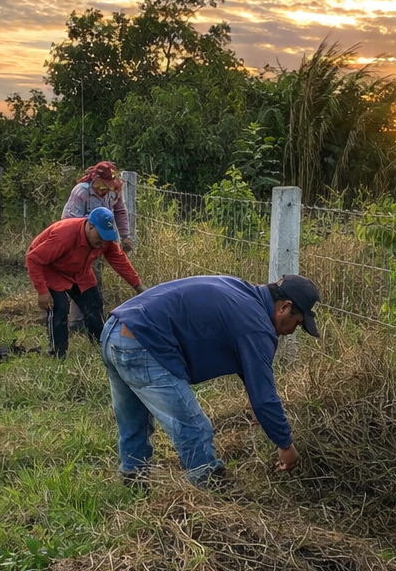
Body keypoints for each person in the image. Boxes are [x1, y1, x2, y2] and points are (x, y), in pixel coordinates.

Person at [100, 273, 320, 488]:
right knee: (193, 426)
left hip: (115, 330)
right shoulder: (256, 325)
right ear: (284, 307)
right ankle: (210, 489)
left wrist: (258, 405)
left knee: (133, 421)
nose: (292, 332)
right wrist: (285, 445)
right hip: (143, 345)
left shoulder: (241, 292)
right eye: (298, 323)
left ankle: (133, 480)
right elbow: (265, 396)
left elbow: (253, 374)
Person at [26, 207, 144, 359]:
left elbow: (119, 260)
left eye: (106, 237)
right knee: (59, 308)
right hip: (52, 268)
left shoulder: (104, 241)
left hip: (79, 270)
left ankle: (101, 349)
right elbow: (33, 259)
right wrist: (42, 291)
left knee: (94, 305)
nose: (103, 242)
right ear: (90, 226)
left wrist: (138, 286)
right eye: (100, 236)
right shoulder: (64, 235)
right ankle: (57, 355)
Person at [61, 161, 132, 331]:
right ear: (95, 179)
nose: (106, 190)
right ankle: (76, 323)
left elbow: (120, 211)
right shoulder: (81, 192)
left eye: (110, 186)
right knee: (79, 280)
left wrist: (125, 235)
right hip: (78, 243)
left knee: (94, 280)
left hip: (100, 243)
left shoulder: (113, 193)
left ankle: (90, 321)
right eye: (103, 185)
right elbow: (70, 221)